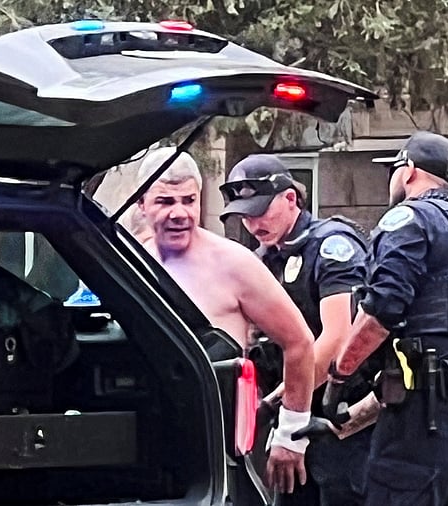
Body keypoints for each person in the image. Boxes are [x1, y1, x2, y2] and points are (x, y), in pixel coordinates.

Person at [323, 131, 448, 506]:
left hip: (427, 420)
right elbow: (426, 358)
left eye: (393, 170)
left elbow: (381, 312)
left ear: (408, 171)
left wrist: (338, 376)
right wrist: (342, 424)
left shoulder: (410, 218)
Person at [135, 147, 317, 495]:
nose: (179, 213)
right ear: (142, 204)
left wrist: (291, 433)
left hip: (223, 446)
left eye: (189, 201)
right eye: (165, 202)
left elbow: (299, 341)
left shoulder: (234, 263)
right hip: (151, 439)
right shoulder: (132, 261)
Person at [219, 154, 382, 506]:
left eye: (261, 211)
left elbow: (338, 338)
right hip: (294, 416)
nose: (253, 223)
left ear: (291, 198)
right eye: (245, 215)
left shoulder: (331, 246)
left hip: (341, 418)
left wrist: (278, 403)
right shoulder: (263, 259)